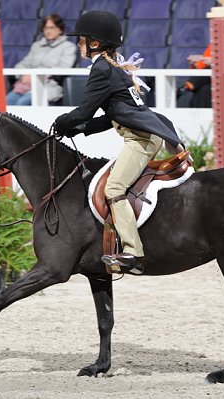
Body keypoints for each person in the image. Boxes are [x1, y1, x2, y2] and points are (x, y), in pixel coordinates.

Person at [53, 10, 184, 274]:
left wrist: (63, 122)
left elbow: (83, 112)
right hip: (143, 135)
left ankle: (133, 253)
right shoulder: (112, 68)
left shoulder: (101, 69)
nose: (77, 44)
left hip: (141, 140)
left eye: (81, 40)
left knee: (114, 188)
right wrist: (79, 131)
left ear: (95, 43)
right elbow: (111, 114)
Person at [6, 14, 77, 106]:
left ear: (59, 29)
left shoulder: (68, 47)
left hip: (49, 86)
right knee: (6, 103)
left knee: (22, 103)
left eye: (51, 28)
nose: (48, 31)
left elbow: (63, 68)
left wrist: (36, 77)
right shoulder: (37, 46)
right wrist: (22, 75)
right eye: (46, 28)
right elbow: (24, 63)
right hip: (25, 86)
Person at [180, 44, 212, 108]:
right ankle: (186, 87)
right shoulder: (213, 44)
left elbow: (223, 61)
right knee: (203, 90)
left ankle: (185, 87)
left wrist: (204, 59)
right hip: (209, 80)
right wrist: (196, 63)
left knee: (211, 67)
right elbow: (202, 65)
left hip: (223, 75)